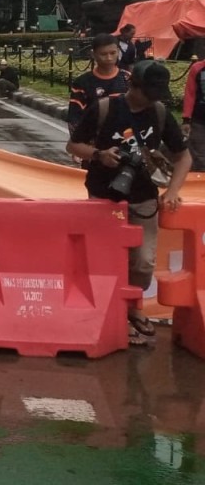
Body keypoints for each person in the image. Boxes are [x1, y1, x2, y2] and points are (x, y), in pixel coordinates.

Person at [66, 60, 191, 346]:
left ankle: (133, 308)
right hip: (103, 194)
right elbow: (73, 146)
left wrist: (172, 191)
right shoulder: (104, 109)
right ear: (132, 86)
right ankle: (108, 314)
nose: (153, 99)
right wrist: (99, 155)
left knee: (144, 261)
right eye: (148, 93)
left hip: (143, 196)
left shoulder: (159, 112)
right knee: (104, 258)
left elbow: (183, 157)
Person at [67, 34, 129, 134]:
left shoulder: (128, 79)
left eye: (113, 53)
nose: (109, 58)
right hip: (94, 141)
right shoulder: (82, 83)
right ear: (93, 54)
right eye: (103, 54)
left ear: (118, 52)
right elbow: (74, 119)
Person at [183, 53, 205, 170]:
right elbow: (190, 94)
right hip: (199, 120)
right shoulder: (197, 68)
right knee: (200, 156)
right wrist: (186, 118)